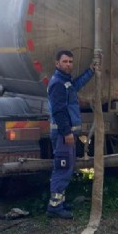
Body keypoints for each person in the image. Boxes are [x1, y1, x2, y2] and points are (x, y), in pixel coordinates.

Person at [47, 49, 99, 219]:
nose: (68, 64)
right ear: (57, 64)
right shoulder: (57, 84)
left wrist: (90, 71)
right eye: (65, 61)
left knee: (67, 168)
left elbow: (76, 85)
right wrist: (67, 132)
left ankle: (59, 202)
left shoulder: (66, 82)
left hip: (66, 135)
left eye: (70, 62)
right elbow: (59, 111)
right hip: (63, 136)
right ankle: (54, 206)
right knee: (62, 169)